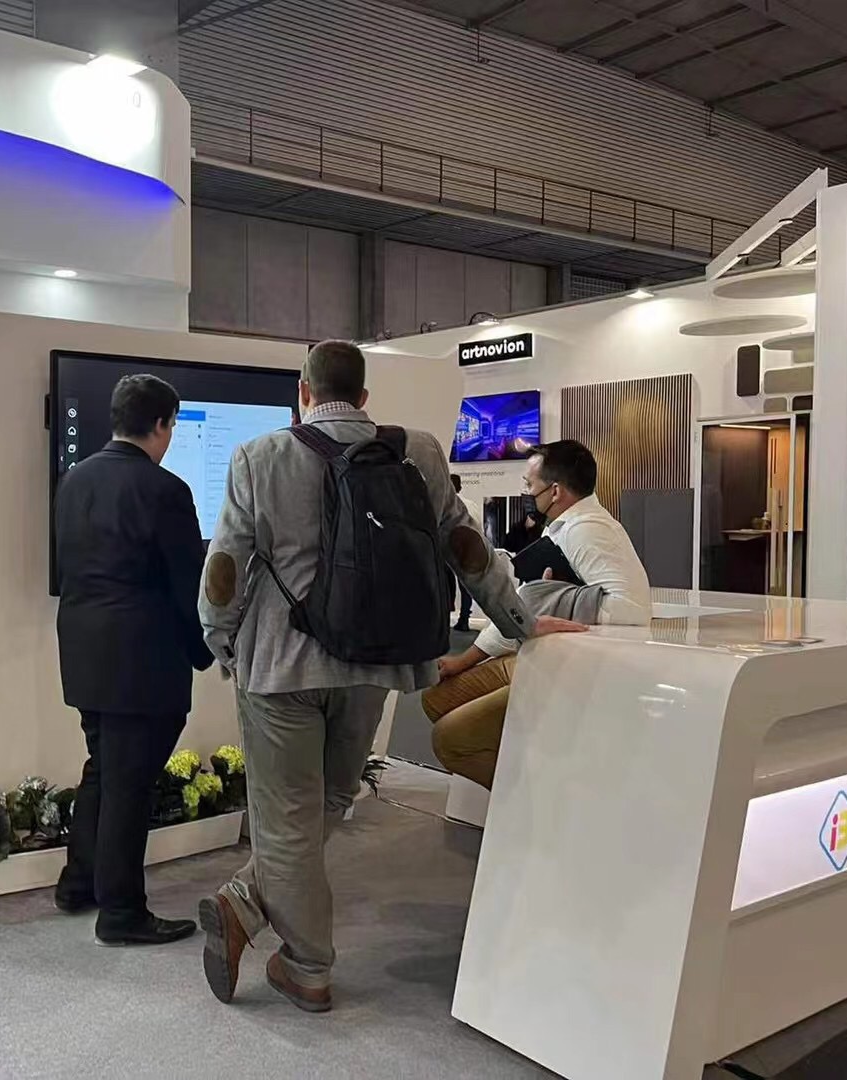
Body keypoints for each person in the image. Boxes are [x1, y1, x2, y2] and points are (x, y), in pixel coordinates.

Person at [195, 340, 585, 1012]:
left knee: (287, 820)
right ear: (365, 397)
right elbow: (467, 548)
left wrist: (218, 637)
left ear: (303, 393)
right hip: (373, 661)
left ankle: (306, 965)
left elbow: (226, 564)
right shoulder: (419, 452)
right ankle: (244, 904)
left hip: (279, 667)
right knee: (329, 800)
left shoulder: (259, 457)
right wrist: (521, 622)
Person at [53, 373, 214, 947]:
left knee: (104, 769)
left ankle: (79, 883)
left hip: (83, 651)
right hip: (142, 660)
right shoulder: (166, 490)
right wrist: (204, 651)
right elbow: (187, 585)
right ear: (163, 424)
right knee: (129, 785)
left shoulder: (74, 479)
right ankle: (121, 912)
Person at [424, 439, 651, 790]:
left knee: (451, 739)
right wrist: (465, 661)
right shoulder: (561, 527)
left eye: (529, 485)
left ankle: (543, 802)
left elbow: (632, 609)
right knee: (437, 699)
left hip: (569, 669)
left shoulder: (588, 530)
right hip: (535, 656)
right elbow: (527, 609)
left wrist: (555, 596)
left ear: (555, 491)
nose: (527, 493)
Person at [450, 474, 482, 632]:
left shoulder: (447, 506)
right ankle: (464, 619)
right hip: (471, 550)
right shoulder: (472, 505)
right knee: (466, 588)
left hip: (450, 550)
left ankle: (445, 619)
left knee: (446, 585)